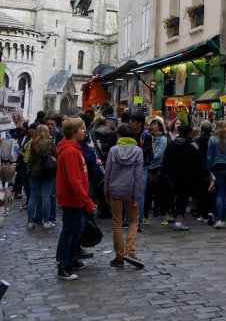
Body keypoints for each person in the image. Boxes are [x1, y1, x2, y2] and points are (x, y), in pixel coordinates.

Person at [55, 117, 96, 281]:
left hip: (76, 198)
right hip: (72, 199)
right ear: (74, 131)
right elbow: (74, 181)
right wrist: (87, 201)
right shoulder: (70, 151)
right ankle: (63, 265)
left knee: (76, 230)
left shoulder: (74, 148)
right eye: (82, 128)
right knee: (69, 232)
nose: (84, 131)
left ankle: (71, 260)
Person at [104, 123, 144, 268]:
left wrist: (106, 192)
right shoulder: (138, 151)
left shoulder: (113, 150)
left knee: (117, 223)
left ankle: (119, 256)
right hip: (130, 190)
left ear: (119, 136)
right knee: (133, 221)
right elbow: (139, 176)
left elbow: (107, 173)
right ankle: (130, 251)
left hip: (115, 190)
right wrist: (137, 196)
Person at [163, 124, 209, 231]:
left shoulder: (173, 144)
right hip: (187, 177)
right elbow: (200, 162)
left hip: (174, 176)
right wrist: (207, 174)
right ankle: (179, 220)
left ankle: (177, 217)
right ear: (189, 133)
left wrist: (166, 172)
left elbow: (166, 160)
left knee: (177, 196)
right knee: (183, 198)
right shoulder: (192, 145)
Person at [27, 124, 57, 230]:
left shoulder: (33, 142)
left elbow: (30, 158)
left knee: (33, 196)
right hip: (48, 171)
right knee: (46, 196)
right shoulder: (49, 142)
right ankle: (46, 221)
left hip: (36, 171)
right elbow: (56, 154)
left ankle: (30, 221)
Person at [143, 117, 168, 225]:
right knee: (147, 193)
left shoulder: (163, 139)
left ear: (160, 126)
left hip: (158, 168)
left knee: (160, 193)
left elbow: (159, 154)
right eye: (152, 124)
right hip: (148, 167)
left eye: (155, 124)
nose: (152, 126)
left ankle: (163, 215)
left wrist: (148, 158)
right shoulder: (148, 136)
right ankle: (145, 216)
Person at [195, 120, 214, 223]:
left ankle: (201, 213)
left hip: (201, 168)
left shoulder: (198, 140)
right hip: (211, 167)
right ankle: (209, 212)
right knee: (210, 192)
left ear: (201, 130)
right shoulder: (213, 140)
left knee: (201, 191)